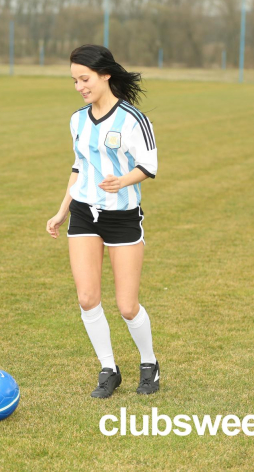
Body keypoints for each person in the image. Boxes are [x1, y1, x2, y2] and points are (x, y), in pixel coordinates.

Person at [46, 44, 160, 399]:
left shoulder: (133, 120)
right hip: (84, 214)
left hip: (123, 217)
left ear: (105, 75)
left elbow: (149, 166)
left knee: (127, 305)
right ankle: (109, 369)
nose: (80, 86)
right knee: (87, 298)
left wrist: (123, 181)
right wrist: (62, 209)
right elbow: (79, 167)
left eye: (85, 78)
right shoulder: (77, 120)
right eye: (75, 80)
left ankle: (149, 363)